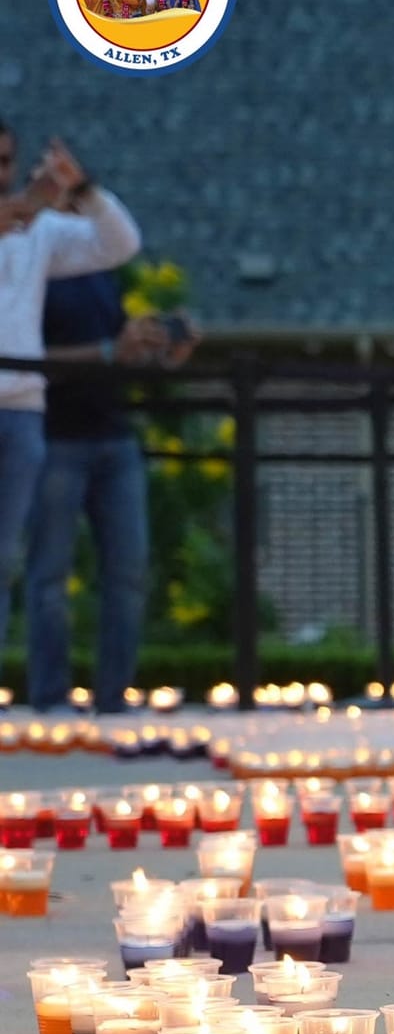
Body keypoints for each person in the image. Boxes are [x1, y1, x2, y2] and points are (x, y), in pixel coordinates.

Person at [28, 224, 199, 712]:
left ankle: (113, 697)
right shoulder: (34, 272)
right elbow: (27, 357)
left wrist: (162, 352)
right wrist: (106, 352)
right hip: (58, 437)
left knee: (128, 574)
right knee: (50, 577)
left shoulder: (105, 276)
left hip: (115, 438)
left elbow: (121, 357)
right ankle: (49, 697)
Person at [0, 127, 142, 675]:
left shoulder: (37, 232)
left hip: (22, 410)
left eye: (7, 160)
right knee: (41, 572)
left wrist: (84, 191)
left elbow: (119, 244)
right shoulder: (24, 218)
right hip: (37, 416)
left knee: (5, 559)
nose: (2, 170)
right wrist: (27, 204)